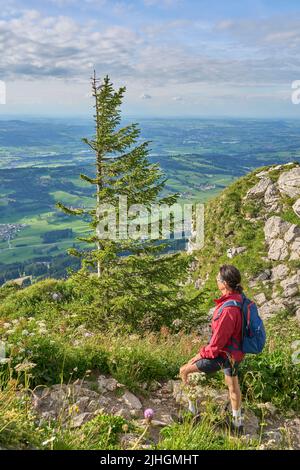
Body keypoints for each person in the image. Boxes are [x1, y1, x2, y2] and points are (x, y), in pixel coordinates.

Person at [179, 264, 245, 434]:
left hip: (223, 355)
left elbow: (217, 344)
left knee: (186, 371)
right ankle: (238, 425)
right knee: (233, 386)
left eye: (217, 279)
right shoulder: (240, 300)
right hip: (236, 353)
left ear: (224, 283)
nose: (216, 281)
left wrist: (198, 355)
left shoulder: (229, 309)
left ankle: (192, 414)